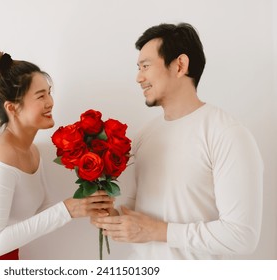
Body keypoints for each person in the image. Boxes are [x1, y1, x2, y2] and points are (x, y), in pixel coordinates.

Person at [92, 23, 263, 259]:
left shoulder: (227, 134)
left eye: (146, 66)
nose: (138, 77)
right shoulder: (144, 136)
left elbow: (242, 236)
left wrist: (159, 231)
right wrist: (110, 217)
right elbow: (132, 210)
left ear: (180, 65)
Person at [0, 43, 114, 260]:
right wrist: (68, 209)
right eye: (40, 96)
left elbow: (41, 209)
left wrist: (86, 204)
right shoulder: (1, 157)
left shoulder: (32, 151)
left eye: (49, 93)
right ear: (12, 108)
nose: (50, 102)